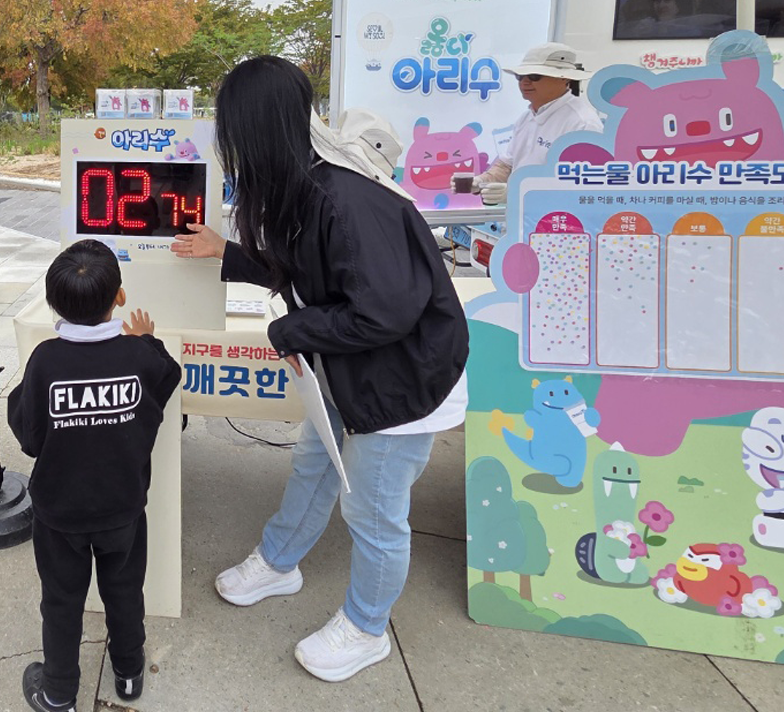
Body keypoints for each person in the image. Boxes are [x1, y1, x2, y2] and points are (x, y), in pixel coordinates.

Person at [171, 55, 468, 682]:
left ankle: (366, 627)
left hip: (400, 385)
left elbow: (380, 314)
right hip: (349, 371)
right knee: (315, 463)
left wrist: (289, 330)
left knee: (375, 512)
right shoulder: (305, 187)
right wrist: (229, 253)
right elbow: (306, 274)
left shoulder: (349, 201)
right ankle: (280, 562)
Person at [7, 239, 182, 712]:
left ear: (52, 304)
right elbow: (169, 376)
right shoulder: (140, 358)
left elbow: (29, 435)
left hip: (59, 513)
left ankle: (59, 691)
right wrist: (147, 340)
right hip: (122, 509)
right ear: (119, 298)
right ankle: (128, 674)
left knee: (62, 601)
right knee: (124, 591)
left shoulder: (45, 360)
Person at [455, 43, 602, 205]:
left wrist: (517, 194)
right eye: (520, 76)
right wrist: (480, 181)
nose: (524, 82)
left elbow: (583, 187)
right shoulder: (527, 117)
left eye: (534, 76)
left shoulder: (583, 123)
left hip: (561, 223)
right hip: (523, 220)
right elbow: (506, 166)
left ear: (564, 78)